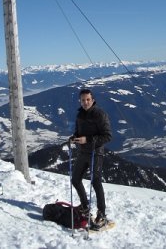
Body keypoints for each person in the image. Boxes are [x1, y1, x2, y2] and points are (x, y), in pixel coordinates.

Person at [70, 88, 112, 229]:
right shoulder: (80, 115)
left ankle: (102, 214)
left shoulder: (100, 114)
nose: (85, 102)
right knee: (75, 179)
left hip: (96, 153)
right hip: (83, 152)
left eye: (88, 99)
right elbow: (78, 132)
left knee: (95, 182)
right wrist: (74, 138)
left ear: (93, 100)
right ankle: (85, 207)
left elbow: (107, 136)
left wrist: (87, 140)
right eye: (83, 100)